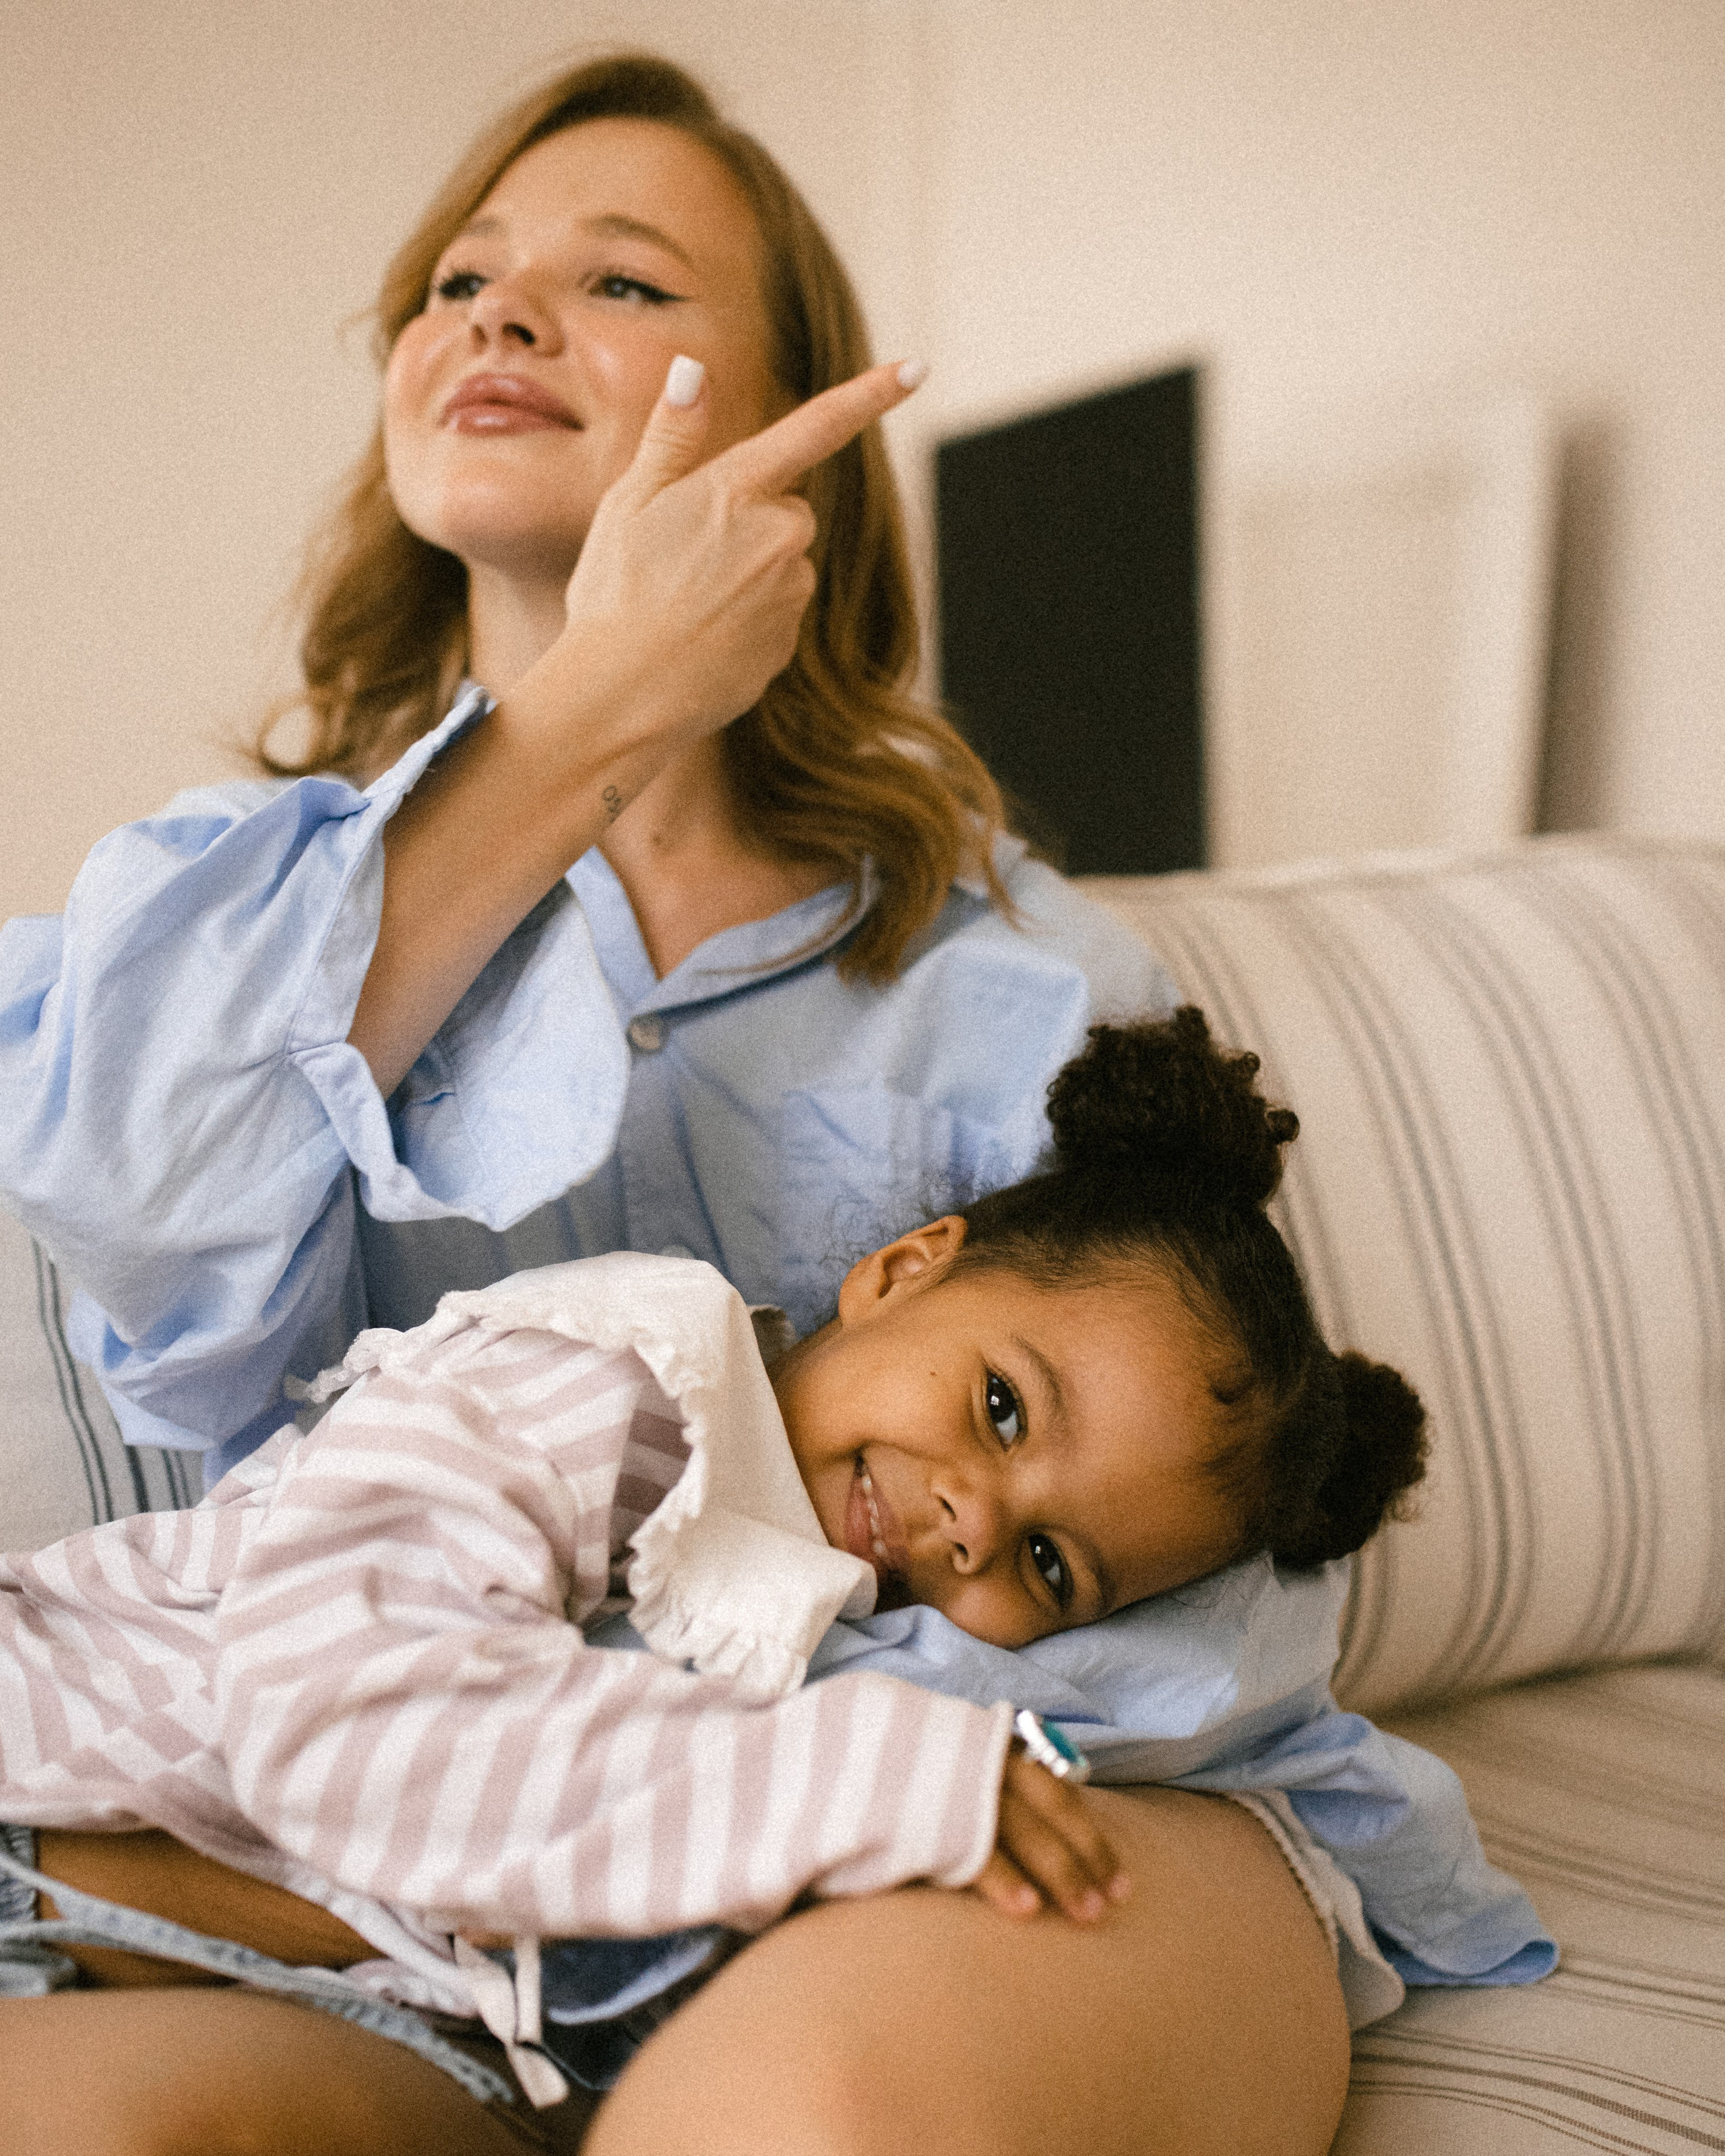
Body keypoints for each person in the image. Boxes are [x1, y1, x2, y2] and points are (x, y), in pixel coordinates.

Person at [0, 51, 1536, 2156]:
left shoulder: (1028, 985)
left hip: (887, 1872)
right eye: (462, 274)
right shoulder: (221, 927)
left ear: (798, 419)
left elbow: (1198, 1588)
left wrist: (677, 1810)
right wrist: (579, 721)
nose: (502, 313)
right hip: (369, 1902)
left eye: (620, 282)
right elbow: (139, 1242)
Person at [1, 1015, 1429, 2153]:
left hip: (280, 1986)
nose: (972, 1519)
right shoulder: (604, 1378)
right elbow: (350, 1726)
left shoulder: (814, 1628)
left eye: (1050, 1563)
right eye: (1000, 1405)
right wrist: (865, 1781)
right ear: (903, 1268)